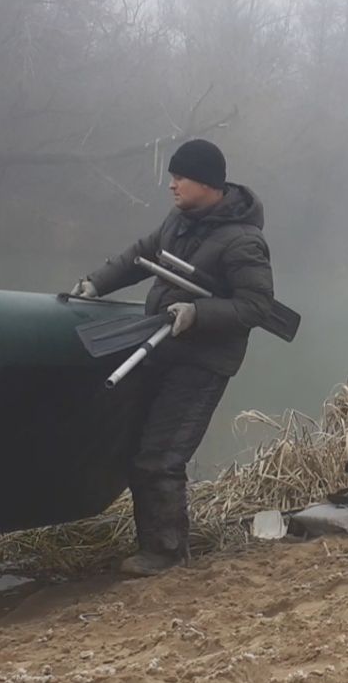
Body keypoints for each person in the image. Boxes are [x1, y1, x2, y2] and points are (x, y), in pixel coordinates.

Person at [71, 139, 275, 577]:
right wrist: (96, 283)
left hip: (202, 364)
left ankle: (166, 554)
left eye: (180, 177)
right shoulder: (179, 221)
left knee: (161, 456)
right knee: (136, 445)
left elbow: (256, 307)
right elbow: (140, 255)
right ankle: (154, 544)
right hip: (161, 347)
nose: (172, 185)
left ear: (206, 183)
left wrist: (198, 312)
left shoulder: (243, 242)